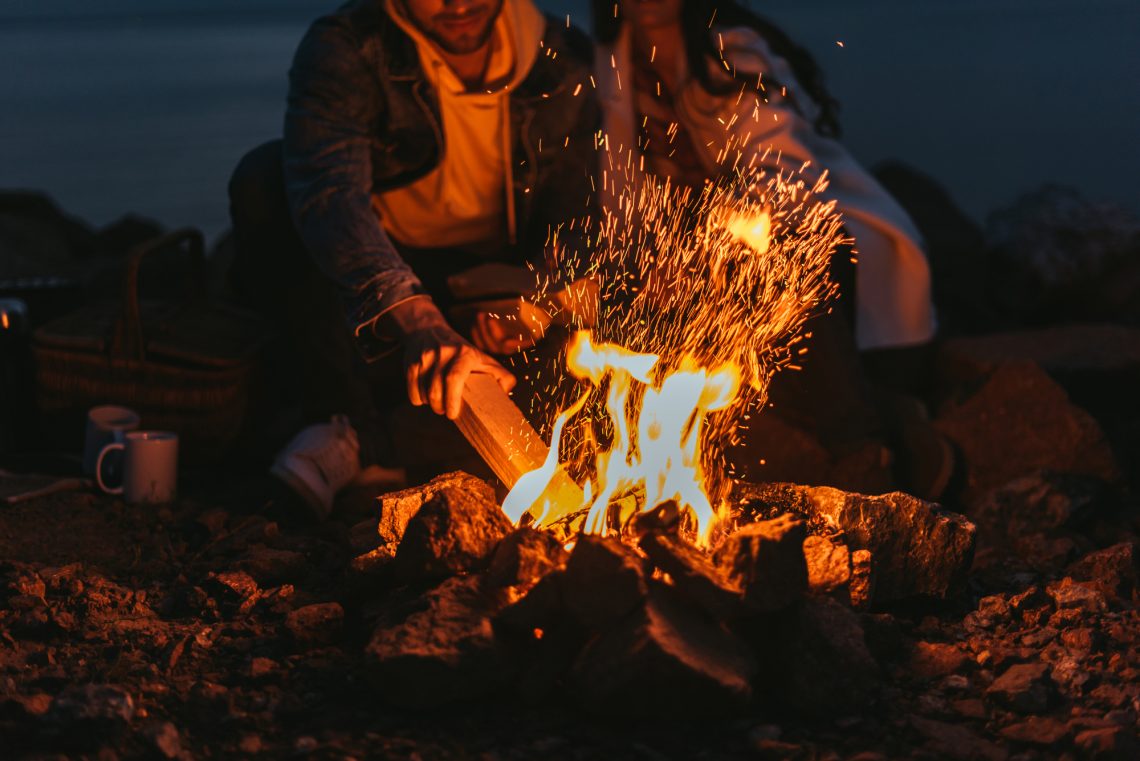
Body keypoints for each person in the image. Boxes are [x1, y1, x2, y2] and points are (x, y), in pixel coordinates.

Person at [228, 0, 599, 518]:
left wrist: (527, 304)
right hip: (379, 271)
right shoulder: (350, 47)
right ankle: (341, 423)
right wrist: (420, 319)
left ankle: (409, 438)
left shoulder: (560, 58)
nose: (457, 4)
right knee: (265, 180)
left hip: (484, 271)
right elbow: (332, 194)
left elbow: (575, 217)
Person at [591, 0, 952, 498]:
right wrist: (650, 262)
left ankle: (866, 454)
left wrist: (702, 251)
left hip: (826, 246)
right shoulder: (610, 65)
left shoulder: (735, 49)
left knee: (772, 263)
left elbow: (782, 175)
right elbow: (621, 198)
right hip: (701, 263)